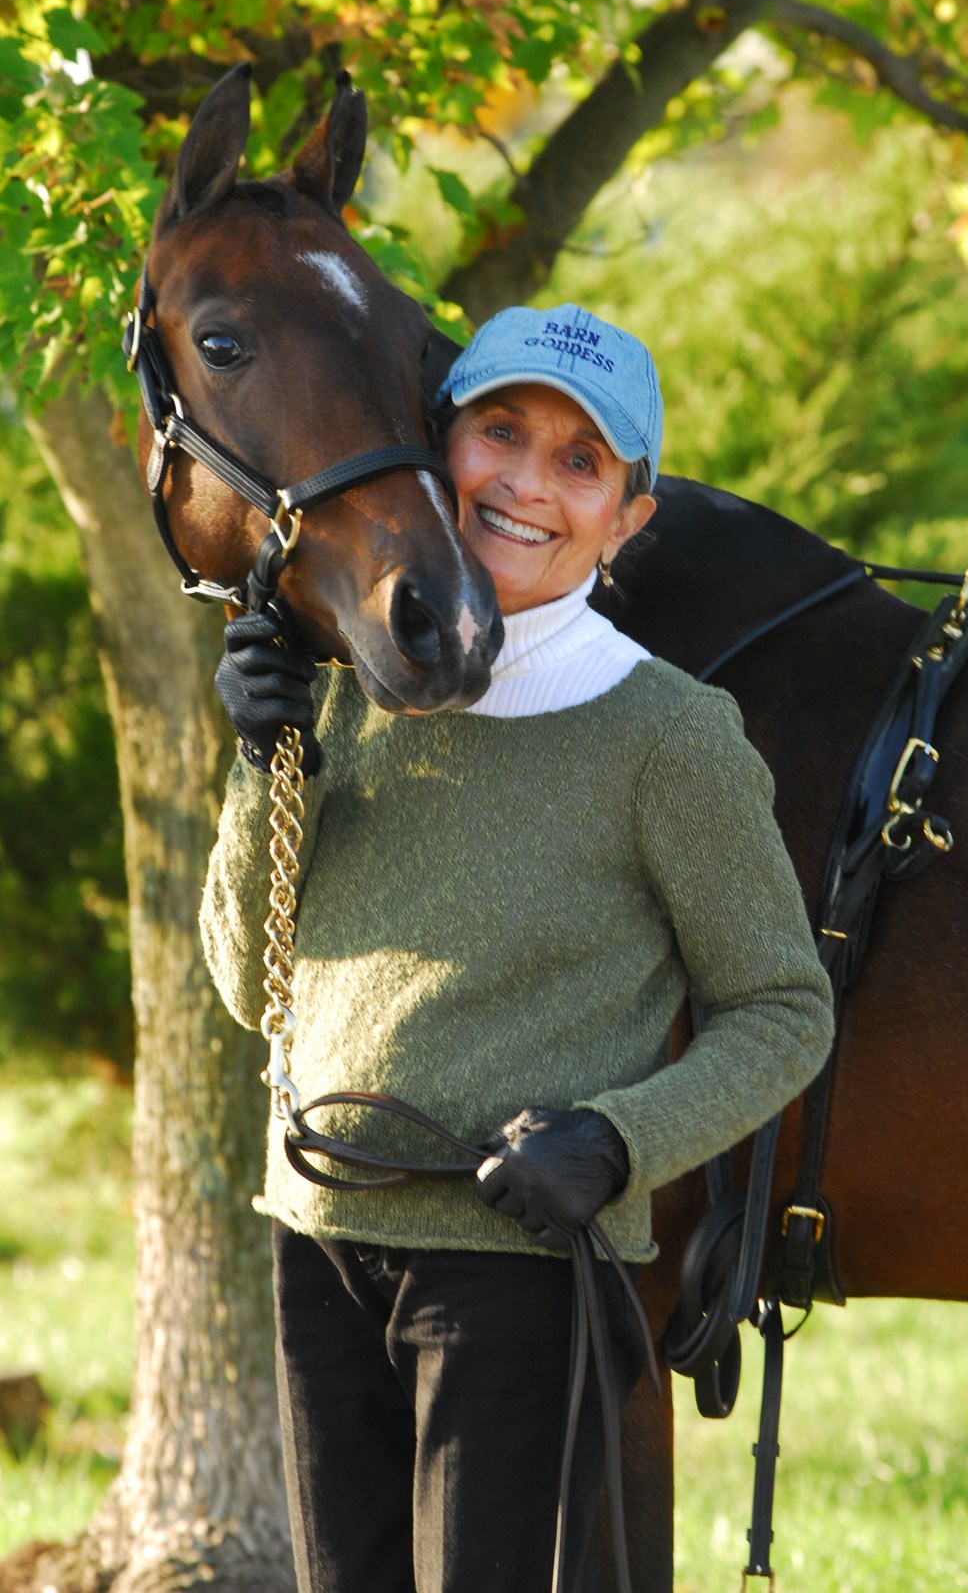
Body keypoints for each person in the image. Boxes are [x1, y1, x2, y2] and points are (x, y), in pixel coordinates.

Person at [200, 303, 834, 1593]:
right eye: (501, 432)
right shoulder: (339, 684)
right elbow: (243, 979)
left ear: (627, 519)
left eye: (580, 461)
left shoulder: (670, 735)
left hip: (523, 1274)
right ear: (442, 451)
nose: (527, 484)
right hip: (319, 1238)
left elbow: (783, 1011)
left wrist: (617, 1142)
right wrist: (267, 759)